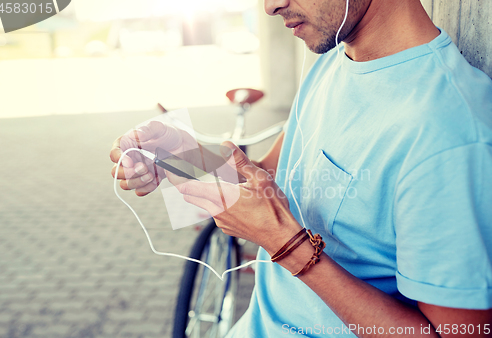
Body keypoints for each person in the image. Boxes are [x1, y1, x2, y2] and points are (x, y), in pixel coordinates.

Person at [110, 0, 492, 336]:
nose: (270, 6)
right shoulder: (333, 59)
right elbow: (268, 177)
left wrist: (285, 245)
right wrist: (177, 153)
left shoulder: (449, 133)